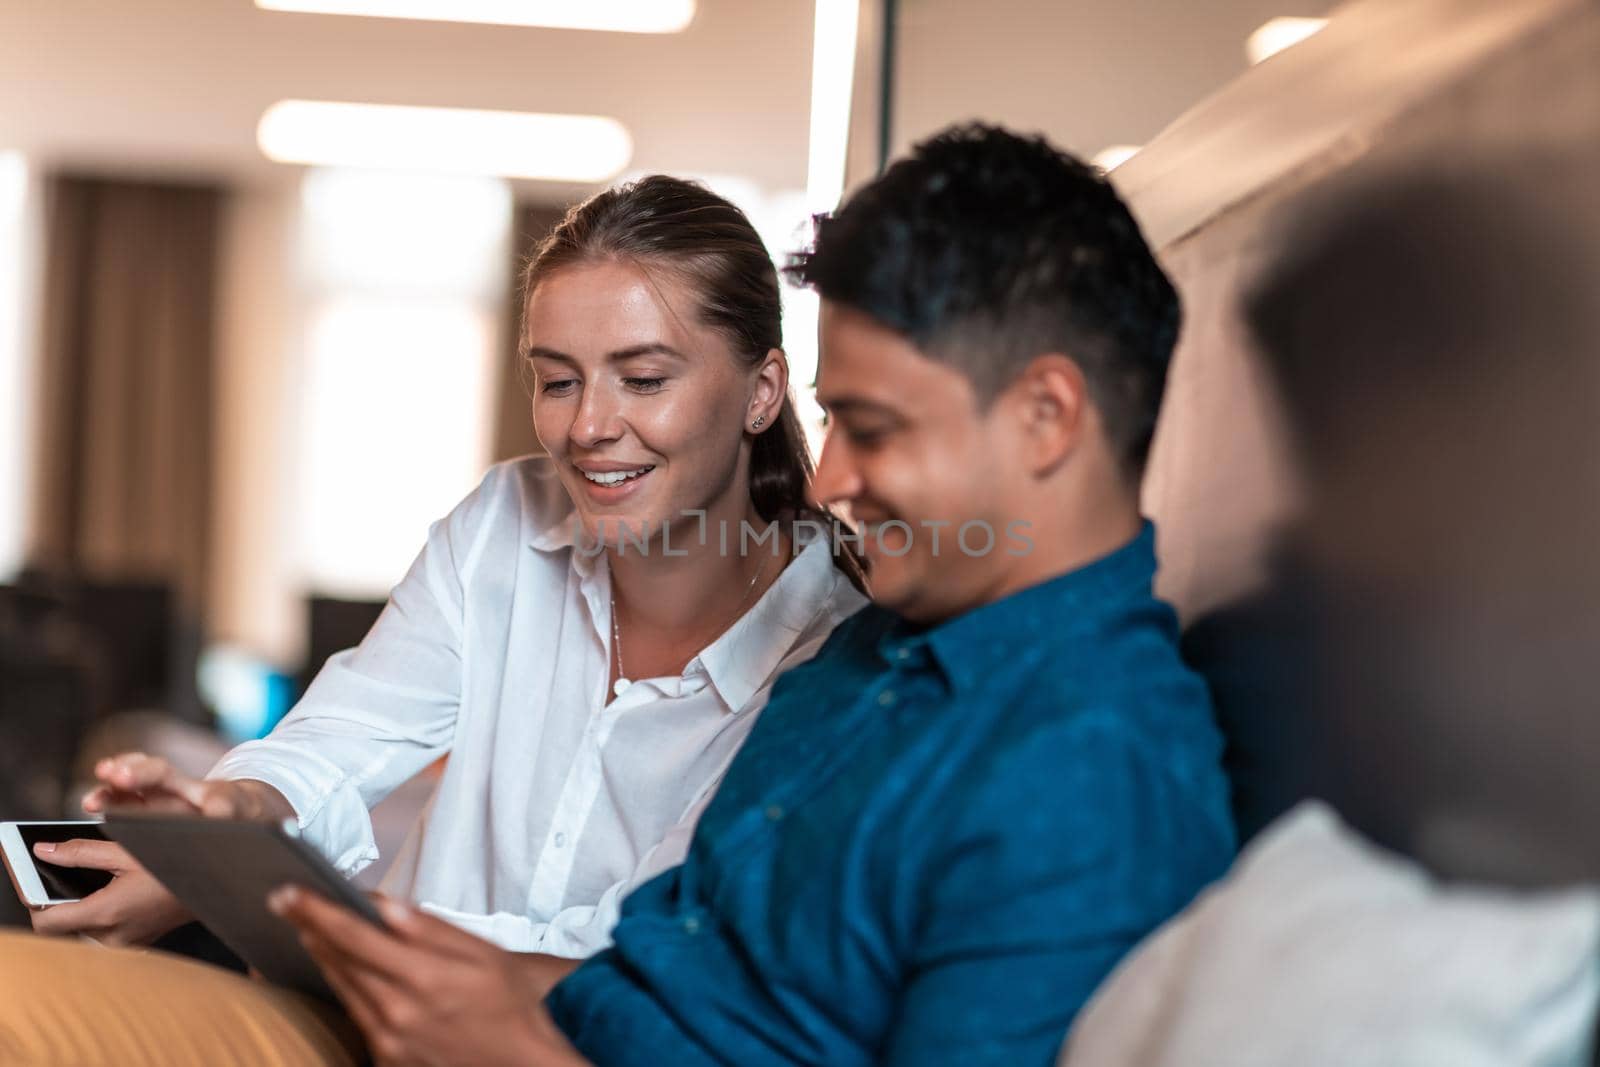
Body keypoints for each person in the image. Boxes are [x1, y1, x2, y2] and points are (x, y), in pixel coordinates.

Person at [264, 122, 1236, 1067]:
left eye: (875, 427)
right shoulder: (875, 656)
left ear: (1045, 416)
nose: (826, 482)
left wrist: (509, 1047)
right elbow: (648, 973)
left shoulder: (1092, 772)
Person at [0, 176, 865, 1063]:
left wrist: (327, 921)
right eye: (557, 380)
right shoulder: (503, 522)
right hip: (359, 1025)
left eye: (643, 379)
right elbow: (340, 738)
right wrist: (227, 817)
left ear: (764, 391)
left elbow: (645, 956)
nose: (589, 426)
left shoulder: (839, 660)